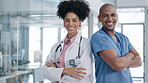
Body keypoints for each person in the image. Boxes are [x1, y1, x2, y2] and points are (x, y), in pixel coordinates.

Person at [42, 0, 92, 83]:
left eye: (74, 20)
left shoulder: (86, 44)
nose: (70, 24)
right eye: (67, 20)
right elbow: (45, 71)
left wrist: (57, 72)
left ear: (79, 23)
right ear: (64, 23)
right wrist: (65, 70)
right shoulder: (56, 47)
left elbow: (83, 73)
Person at [90, 3, 142, 83]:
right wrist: (130, 55)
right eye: (105, 16)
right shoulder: (98, 37)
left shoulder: (123, 38)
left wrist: (122, 63)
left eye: (113, 15)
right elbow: (117, 65)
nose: (110, 19)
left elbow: (139, 61)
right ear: (99, 18)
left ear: (116, 17)